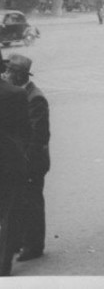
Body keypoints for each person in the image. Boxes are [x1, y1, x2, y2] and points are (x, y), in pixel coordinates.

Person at [3, 54, 50, 263]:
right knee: (22, 202)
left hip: (33, 160)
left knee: (32, 203)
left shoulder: (35, 97)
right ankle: (21, 241)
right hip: (23, 159)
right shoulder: (23, 94)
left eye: (9, 72)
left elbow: (38, 137)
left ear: (20, 75)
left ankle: (34, 246)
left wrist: (26, 163)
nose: (6, 75)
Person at [0, 50, 30, 276]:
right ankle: (3, 265)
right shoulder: (16, 94)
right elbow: (26, 133)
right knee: (10, 213)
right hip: (9, 161)